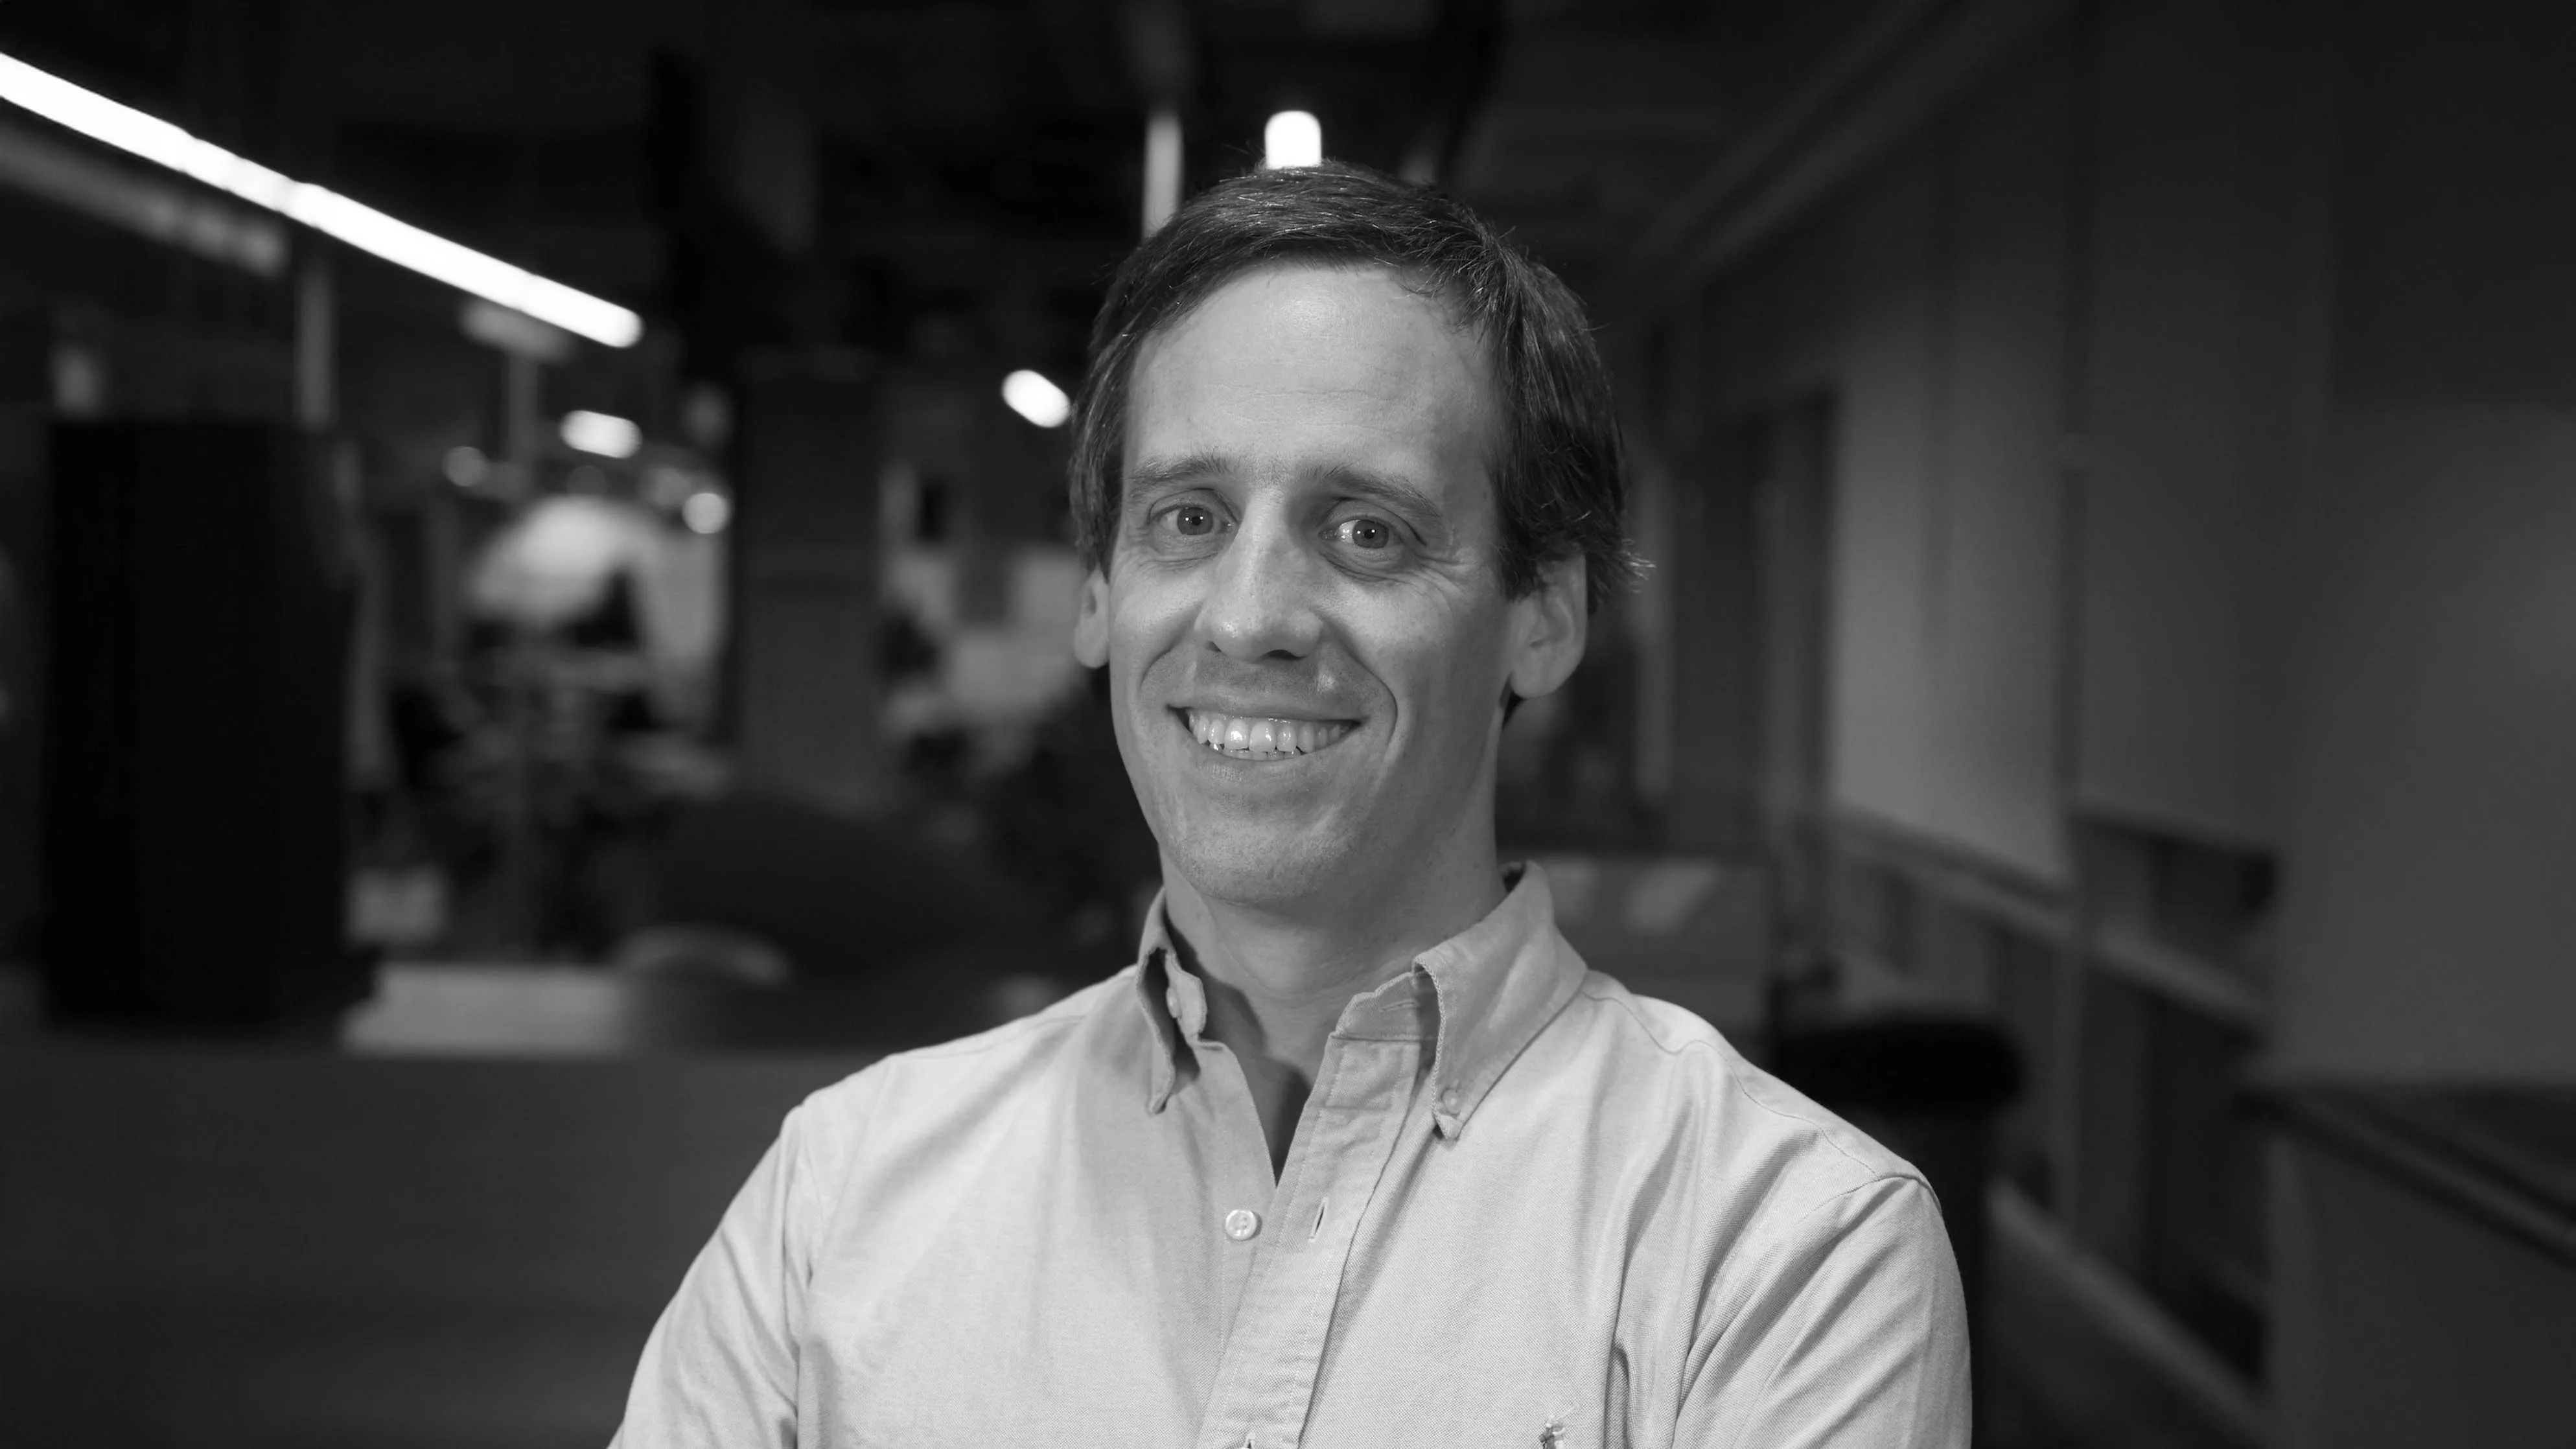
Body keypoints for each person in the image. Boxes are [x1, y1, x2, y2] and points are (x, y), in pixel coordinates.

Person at [610, 161, 1969, 1446]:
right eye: (1188, 519)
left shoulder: (1784, 1249)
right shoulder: (838, 1199)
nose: (1248, 614)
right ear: (1099, 594)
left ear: (1544, 617)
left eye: (1366, 530)